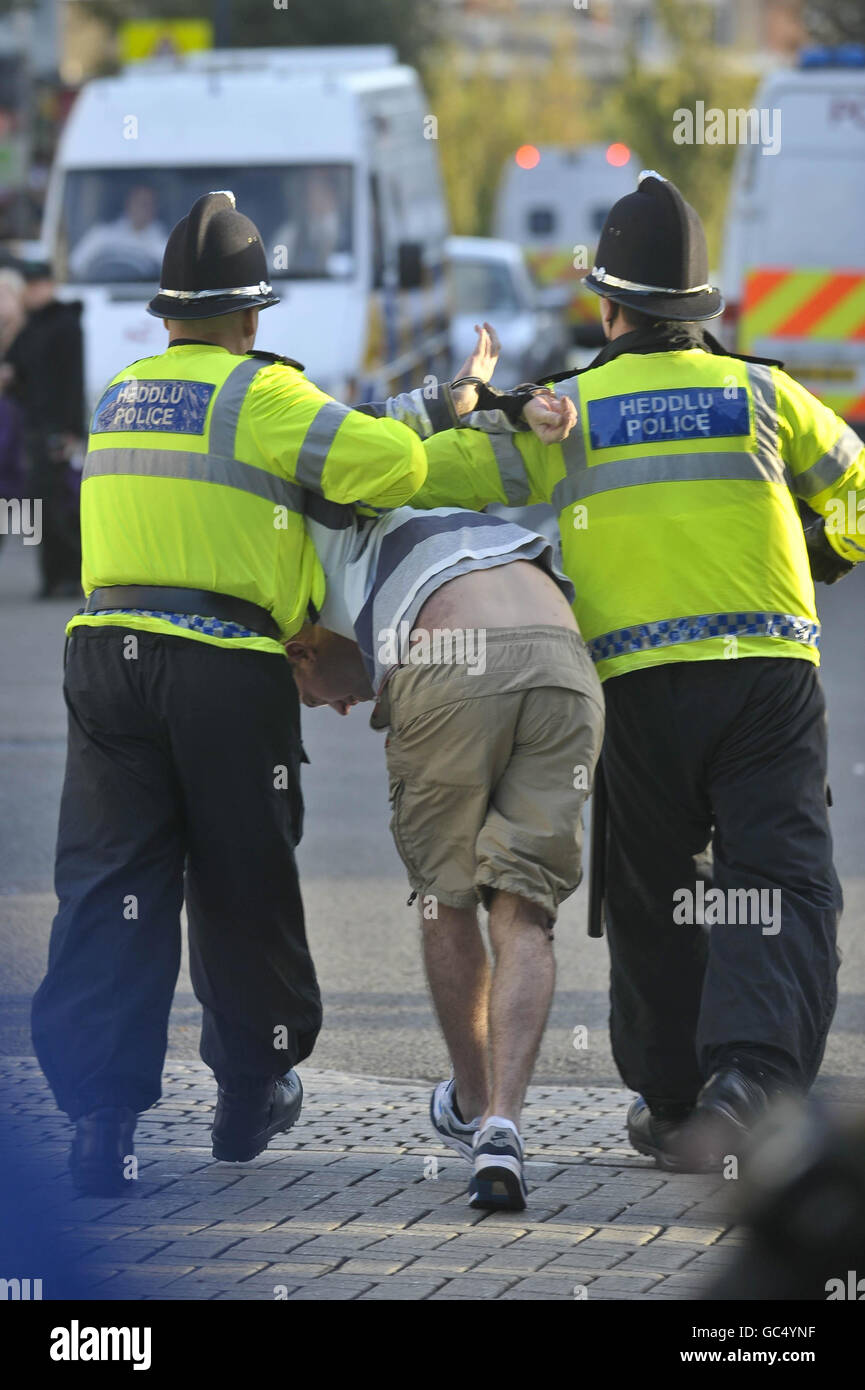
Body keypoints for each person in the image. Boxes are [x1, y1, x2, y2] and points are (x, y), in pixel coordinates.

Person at [29, 192, 567, 1197]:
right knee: (240, 875)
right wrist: (450, 406)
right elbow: (389, 463)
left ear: (165, 313)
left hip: (103, 657)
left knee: (109, 884)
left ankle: (100, 1123)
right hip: (223, 660)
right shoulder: (261, 397)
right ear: (250, 318)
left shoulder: (122, 393)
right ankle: (250, 1088)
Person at [411, 171, 865, 1170]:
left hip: (632, 685)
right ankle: (748, 1078)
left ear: (607, 308)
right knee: (777, 878)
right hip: (765, 673)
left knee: (656, 888)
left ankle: (669, 1099)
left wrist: (450, 409)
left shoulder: (563, 414)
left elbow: (428, 471)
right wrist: (827, 551)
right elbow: (858, 488)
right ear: (699, 310)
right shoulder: (764, 391)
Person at [286, 494, 604, 1210]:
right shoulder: (463, 519)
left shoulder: (315, 555)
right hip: (564, 666)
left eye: (315, 695)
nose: (343, 707)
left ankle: (468, 1101)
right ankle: (504, 1125)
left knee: (447, 899)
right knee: (524, 912)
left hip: (449, 659)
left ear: (301, 647)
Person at [5, 260, 84, 597]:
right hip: (33, 426)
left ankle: (70, 575)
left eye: (37, 285)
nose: (32, 292)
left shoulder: (65, 324)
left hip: (56, 427)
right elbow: (16, 369)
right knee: (40, 505)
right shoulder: (30, 326)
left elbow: (72, 382)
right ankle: (52, 578)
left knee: (57, 505)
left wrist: (71, 431)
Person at [68, 184, 167, 281]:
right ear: (128, 204)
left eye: (147, 204)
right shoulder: (102, 234)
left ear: (155, 208)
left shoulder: (163, 242)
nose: (142, 209)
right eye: (138, 202)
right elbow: (75, 265)